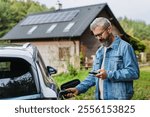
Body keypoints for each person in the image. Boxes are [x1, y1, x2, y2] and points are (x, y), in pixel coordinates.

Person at [66, 17, 139, 100]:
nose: (99, 38)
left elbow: (134, 72)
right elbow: (94, 75)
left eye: (100, 34)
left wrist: (109, 74)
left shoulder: (125, 47)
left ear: (109, 29)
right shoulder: (99, 51)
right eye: (96, 36)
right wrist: (78, 89)